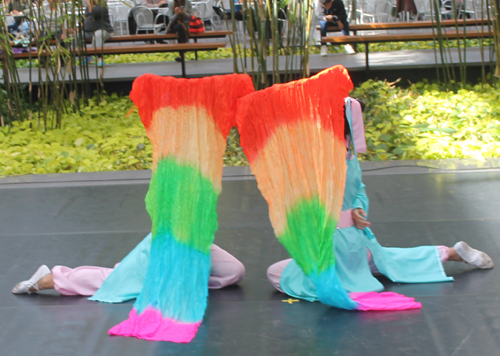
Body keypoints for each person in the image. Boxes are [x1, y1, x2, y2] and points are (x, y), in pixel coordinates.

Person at [267, 98, 494, 300]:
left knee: (277, 274)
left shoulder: (320, 160)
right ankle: (448, 252)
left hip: (332, 245)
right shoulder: (347, 154)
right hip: (357, 241)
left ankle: (348, 281)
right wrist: (356, 208)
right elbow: (357, 191)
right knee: (384, 259)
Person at [12, 233, 245, 299]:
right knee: (119, 280)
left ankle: (180, 276)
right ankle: (51, 278)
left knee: (234, 271)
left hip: (196, 241)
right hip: (167, 239)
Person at [83, 0, 114, 67]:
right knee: (78, 35)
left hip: (104, 30)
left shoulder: (102, 4)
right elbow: (86, 17)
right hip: (90, 31)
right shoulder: (88, 7)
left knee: (97, 34)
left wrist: (89, 5)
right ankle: (87, 56)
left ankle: (100, 58)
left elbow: (95, 14)